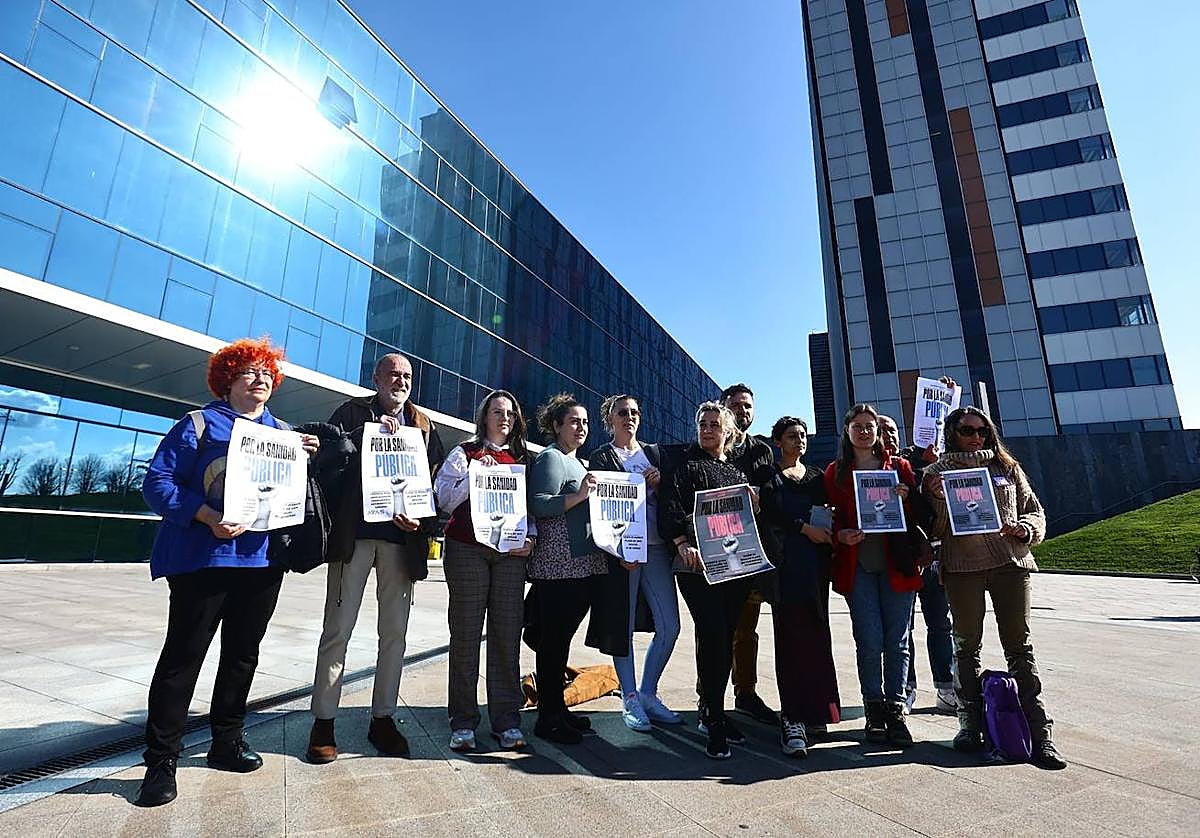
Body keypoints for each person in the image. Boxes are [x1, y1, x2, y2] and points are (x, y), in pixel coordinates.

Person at [136, 338, 320, 807]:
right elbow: (157, 483)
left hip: (263, 562)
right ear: (227, 379)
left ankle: (227, 741)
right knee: (183, 658)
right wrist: (205, 515)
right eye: (248, 372)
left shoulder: (285, 434)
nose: (260, 379)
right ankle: (161, 760)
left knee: (242, 656)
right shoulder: (198, 424)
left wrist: (311, 457)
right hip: (204, 560)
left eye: (267, 373)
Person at [306, 354, 445, 764]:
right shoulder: (351, 412)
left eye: (407, 376)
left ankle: (383, 717)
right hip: (354, 537)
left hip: (401, 542)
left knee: (395, 633)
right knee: (338, 629)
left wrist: (420, 520)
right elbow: (326, 464)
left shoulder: (423, 425)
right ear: (376, 378)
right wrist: (362, 437)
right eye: (393, 374)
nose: (400, 381)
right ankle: (323, 721)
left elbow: (434, 485)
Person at [922, 406, 1067, 770]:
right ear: (952, 433)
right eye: (967, 430)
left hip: (1009, 563)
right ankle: (969, 724)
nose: (976, 437)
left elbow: (1034, 510)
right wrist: (937, 500)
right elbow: (933, 530)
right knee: (966, 646)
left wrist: (1026, 529)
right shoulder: (935, 473)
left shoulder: (1006, 466)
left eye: (982, 431)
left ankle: (1040, 732)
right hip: (962, 567)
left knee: (1020, 646)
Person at [434, 390, 535, 752]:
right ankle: (463, 722)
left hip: (509, 554)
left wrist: (531, 539)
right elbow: (443, 498)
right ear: (484, 417)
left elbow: (530, 508)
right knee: (465, 635)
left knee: (506, 635)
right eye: (497, 411)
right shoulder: (465, 453)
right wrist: (475, 475)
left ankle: (506, 721)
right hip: (467, 549)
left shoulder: (523, 459)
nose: (504, 418)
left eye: (510, 413)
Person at [659, 402, 758, 759]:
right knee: (713, 633)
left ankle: (714, 709)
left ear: (728, 431)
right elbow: (670, 506)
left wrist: (754, 505)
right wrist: (681, 543)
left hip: (733, 566)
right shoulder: (684, 465)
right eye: (703, 424)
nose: (708, 429)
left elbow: (744, 521)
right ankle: (713, 717)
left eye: (715, 424)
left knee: (725, 637)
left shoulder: (735, 472)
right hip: (697, 566)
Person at [823, 404, 921, 749]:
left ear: (878, 432)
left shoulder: (899, 468)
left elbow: (921, 513)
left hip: (897, 563)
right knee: (868, 640)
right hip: (859, 565)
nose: (864, 432)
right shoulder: (835, 472)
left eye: (870, 426)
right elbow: (830, 518)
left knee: (898, 641)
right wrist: (840, 535)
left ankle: (896, 708)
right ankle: (873, 708)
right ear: (847, 431)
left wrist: (907, 497)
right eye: (858, 426)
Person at [589, 394, 682, 731]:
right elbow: (600, 507)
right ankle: (629, 697)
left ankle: (648, 692)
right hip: (622, 553)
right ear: (609, 419)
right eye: (622, 413)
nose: (629, 417)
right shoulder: (602, 456)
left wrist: (662, 482)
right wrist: (617, 551)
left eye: (634, 412)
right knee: (622, 626)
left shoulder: (654, 454)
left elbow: (674, 497)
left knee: (670, 626)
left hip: (655, 548)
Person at [526, 393, 609, 744]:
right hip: (559, 565)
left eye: (585, 422)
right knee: (553, 643)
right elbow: (538, 504)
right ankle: (548, 718)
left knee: (559, 642)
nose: (581, 427)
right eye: (574, 421)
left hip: (580, 565)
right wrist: (579, 496)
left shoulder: (578, 462)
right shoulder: (551, 457)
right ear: (556, 425)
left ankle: (557, 709)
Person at [759, 416, 840, 757]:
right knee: (790, 640)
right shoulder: (769, 477)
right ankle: (792, 717)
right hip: (785, 567)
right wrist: (804, 529)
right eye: (792, 436)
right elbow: (768, 515)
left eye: (803, 435)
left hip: (816, 568)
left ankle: (818, 712)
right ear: (778, 441)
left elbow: (833, 509)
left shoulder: (817, 477)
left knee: (818, 637)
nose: (799, 440)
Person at [878, 413, 957, 717]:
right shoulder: (871, 467)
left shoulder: (921, 459)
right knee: (902, 629)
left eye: (892, 430)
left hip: (931, 557)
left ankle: (946, 687)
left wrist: (934, 465)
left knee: (940, 623)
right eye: (882, 430)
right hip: (899, 560)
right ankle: (906, 688)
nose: (889, 435)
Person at [718, 384, 779, 727]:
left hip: (750, 550)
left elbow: (771, 492)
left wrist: (760, 497)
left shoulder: (761, 450)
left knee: (746, 628)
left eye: (747, 406)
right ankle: (708, 696)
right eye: (736, 405)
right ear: (723, 407)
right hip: (716, 547)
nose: (743, 411)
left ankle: (746, 692)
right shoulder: (711, 443)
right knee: (714, 628)